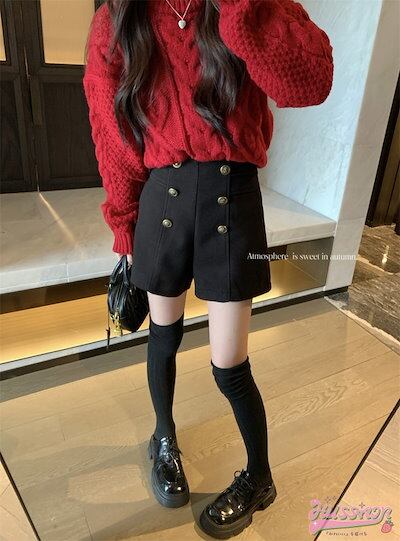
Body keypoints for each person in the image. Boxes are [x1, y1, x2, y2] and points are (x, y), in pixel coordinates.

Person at [83, 0, 333, 537]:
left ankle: (260, 477)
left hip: (231, 195)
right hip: (161, 199)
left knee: (229, 364)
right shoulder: (119, 16)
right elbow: (111, 128)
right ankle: (163, 438)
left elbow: (310, 83)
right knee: (163, 336)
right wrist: (123, 220)